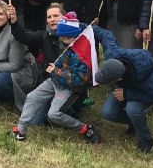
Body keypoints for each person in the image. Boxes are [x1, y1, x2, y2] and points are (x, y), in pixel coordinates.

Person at [12, 13, 100, 144]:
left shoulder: (82, 54)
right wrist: (55, 68)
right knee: (32, 97)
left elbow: (77, 80)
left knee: (54, 115)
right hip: (54, 81)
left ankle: (85, 128)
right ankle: (20, 130)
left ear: (75, 36)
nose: (64, 40)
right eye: (62, 38)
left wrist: (56, 71)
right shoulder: (63, 44)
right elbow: (59, 62)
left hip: (70, 88)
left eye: (68, 38)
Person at [91, 26, 153, 153]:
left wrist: (127, 94)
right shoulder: (113, 55)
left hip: (140, 92)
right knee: (107, 112)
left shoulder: (149, 77)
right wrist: (83, 27)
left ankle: (146, 139)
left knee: (132, 109)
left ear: (118, 78)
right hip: (125, 88)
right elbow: (105, 35)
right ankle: (135, 123)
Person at [0, 1, 39, 112]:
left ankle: (23, 101)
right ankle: (2, 94)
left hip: (21, 69)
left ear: (7, 15)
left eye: (0, 14)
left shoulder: (14, 32)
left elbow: (14, 66)